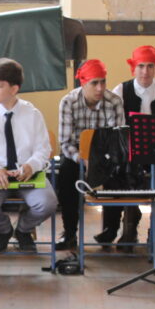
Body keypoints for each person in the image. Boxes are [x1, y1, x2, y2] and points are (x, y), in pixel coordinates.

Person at [0, 58, 57, 254]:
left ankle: (23, 230)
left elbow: (43, 149)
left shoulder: (32, 114)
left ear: (14, 88)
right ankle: (3, 230)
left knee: (47, 203)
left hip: (27, 174)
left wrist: (31, 165)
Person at [112, 45, 155, 251]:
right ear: (133, 68)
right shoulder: (120, 90)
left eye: (150, 66)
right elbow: (118, 128)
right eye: (141, 66)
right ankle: (129, 225)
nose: (145, 71)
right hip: (130, 151)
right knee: (124, 175)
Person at [55, 59, 125, 252]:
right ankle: (70, 233)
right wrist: (82, 159)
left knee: (117, 175)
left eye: (103, 82)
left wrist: (99, 161)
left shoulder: (114, 102)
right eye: (94, 83)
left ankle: (110, 230)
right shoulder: (68, 102)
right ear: (83, 83)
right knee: (66, 174)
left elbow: (117, 140)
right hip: (76, 152)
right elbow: (65, 142)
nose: (100, 88)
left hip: (105, 153)